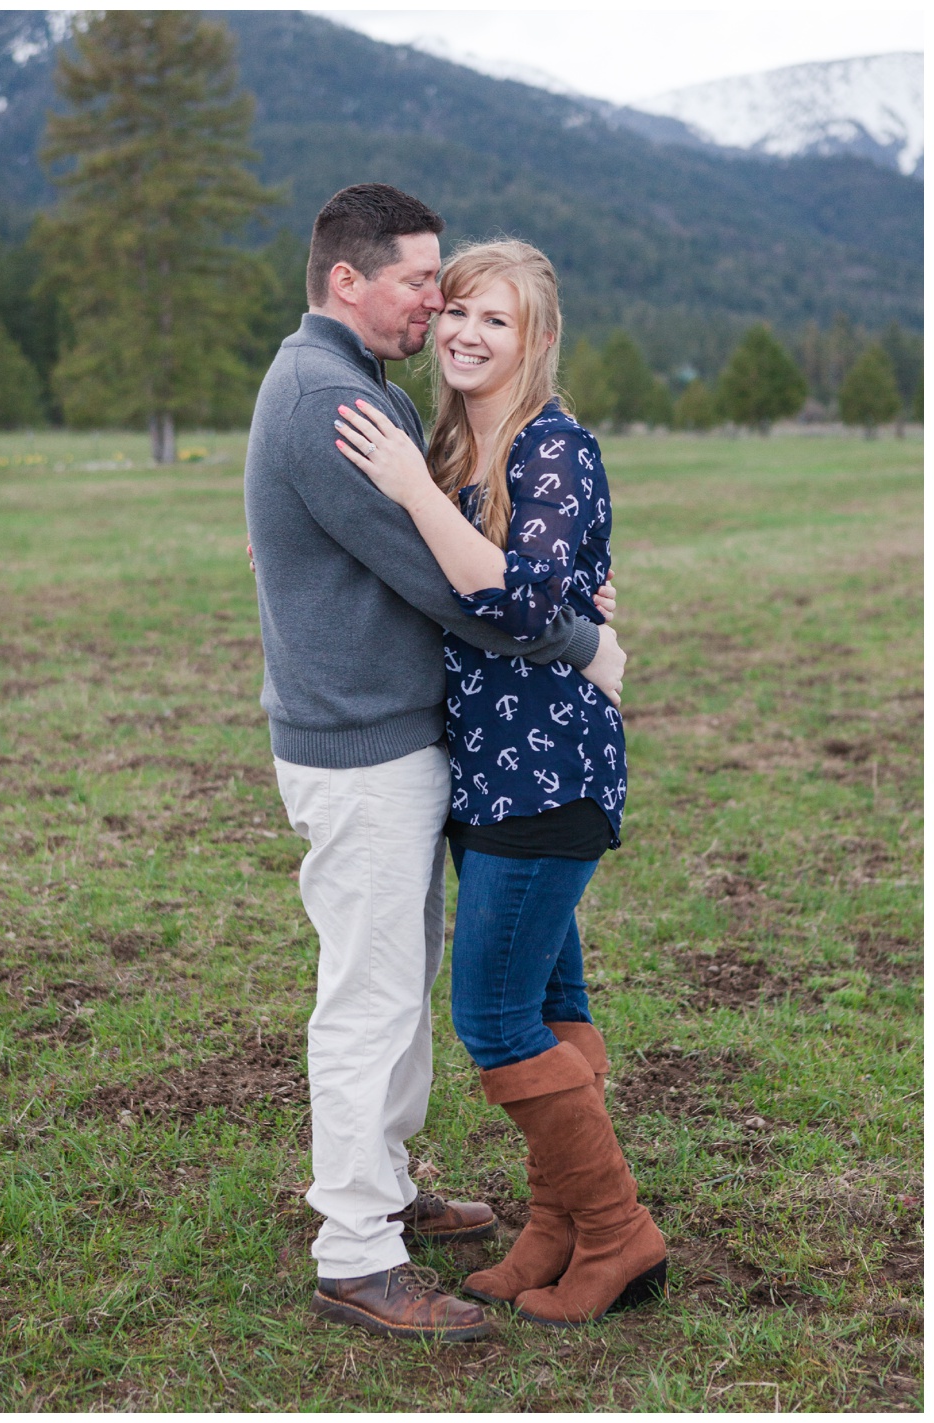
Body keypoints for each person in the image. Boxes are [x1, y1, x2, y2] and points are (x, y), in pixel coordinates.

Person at [243, 183, 628, 1342]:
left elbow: (479, 551)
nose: (436, 305)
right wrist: (585, 639)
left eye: (456, 290)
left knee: (396, 986)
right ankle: (356, 1250)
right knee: (368, 999)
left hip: (402, 742)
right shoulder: (327, 400)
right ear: (346, 280)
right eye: (422, 282)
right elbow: (450, 583)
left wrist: (557, 592)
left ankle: (388, 1188)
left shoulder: (354, 388)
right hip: (361, 752)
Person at [330, 238, 664, 1327]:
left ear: (536, 341)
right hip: (484, 773)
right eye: (459, 311)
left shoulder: (551, 448)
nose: (469, 334)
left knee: (491, 1010)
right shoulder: (448, 448)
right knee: (550, 1001)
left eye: (498, 321)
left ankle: (618, 1235)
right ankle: (555, 1226)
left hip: (550, 771)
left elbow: (517, 599)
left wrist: (408, 493)